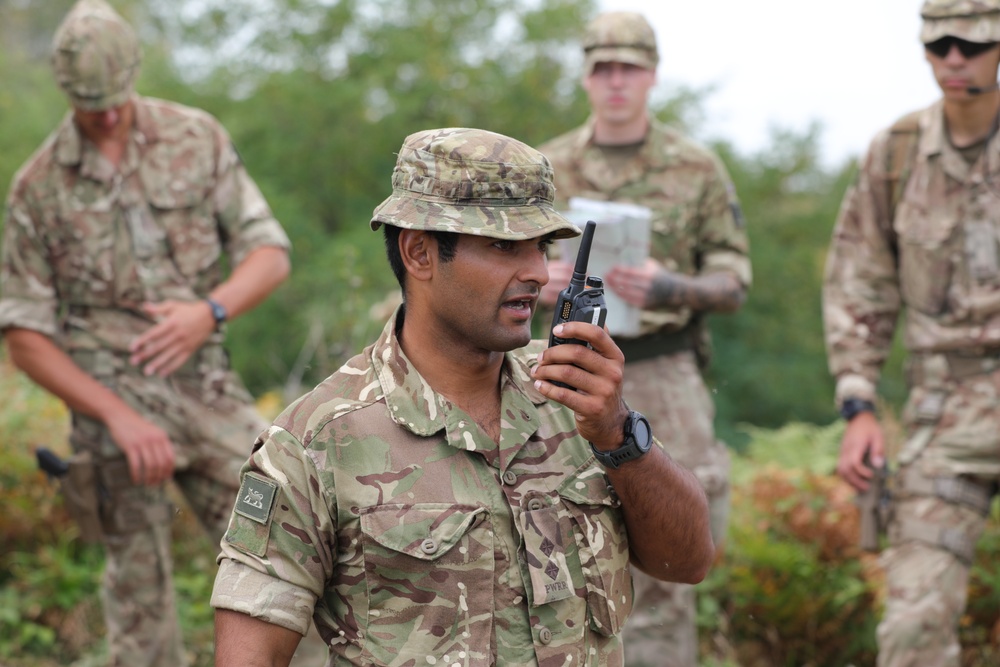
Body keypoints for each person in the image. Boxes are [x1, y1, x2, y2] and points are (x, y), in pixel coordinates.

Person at [210, 127, 715, 666]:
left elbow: (686, 562)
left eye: (541, 247)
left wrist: (618, 435)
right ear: (420, 253)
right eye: (503, 246)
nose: (538, 273)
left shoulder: (575, 397)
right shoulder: (316, 441)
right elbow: (249, 652)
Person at [0, 1, 298, 665]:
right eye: (88, 103)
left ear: (135, 72)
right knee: (139, 610)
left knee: (281, 531)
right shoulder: (38, 187)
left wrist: (208, 312)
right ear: (65, 90)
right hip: (111, 419)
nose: (106, 116)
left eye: (114, 98)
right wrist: (116, 416)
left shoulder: (196, 137)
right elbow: (22, 333)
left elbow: (270, 254)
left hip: (209, 393)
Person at [537, 11, 751, 666]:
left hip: (662, 366)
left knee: (669, 560)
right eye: (603, 68)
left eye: (629, 68)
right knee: (556, 540)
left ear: (652, 76)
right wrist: (535, 279)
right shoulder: (549, 164)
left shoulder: (695, 166)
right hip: (564, 368)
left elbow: (734, 279)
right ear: (585, 76)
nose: (616, 81)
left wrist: (670, 286)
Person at [823, 1, 1000, 664]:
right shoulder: (896, 154)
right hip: (943, 414)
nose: (955, 59)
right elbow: (859, 284)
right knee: (912, 627)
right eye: (941, 44)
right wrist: (859, 405)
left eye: (973, 45)